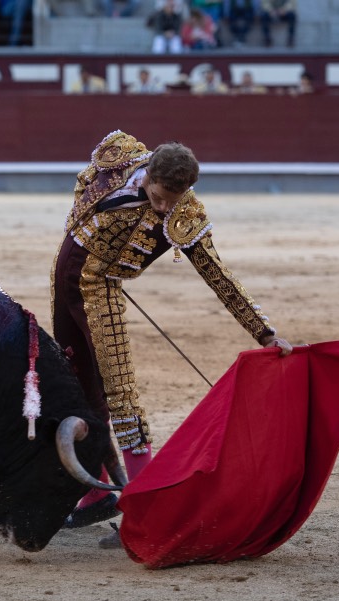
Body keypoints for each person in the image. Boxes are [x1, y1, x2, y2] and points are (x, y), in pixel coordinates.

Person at [53, 130, 293, 545]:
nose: (164, 208)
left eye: (173, 200)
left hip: (100, 295)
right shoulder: (119, 155)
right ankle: (96, 493)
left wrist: (265, 333)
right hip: (63, 282)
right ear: (146, 173)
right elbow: (82, 194)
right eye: (160, 196)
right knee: (77, 388)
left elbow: (219, 276)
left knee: (121, 395)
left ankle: (145, 513)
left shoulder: (185, 215)